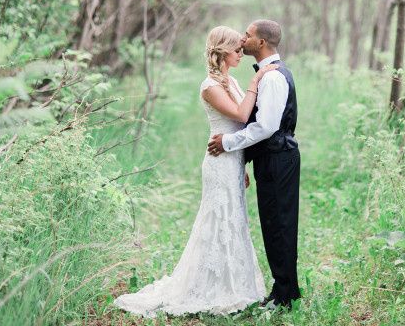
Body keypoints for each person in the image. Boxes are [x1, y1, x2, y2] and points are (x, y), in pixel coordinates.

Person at [113, 25, 278, 317]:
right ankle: (206, 287)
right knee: (216, 219)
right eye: (237, 50)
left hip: (232, 158)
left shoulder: (232, 81)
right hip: (218, 162)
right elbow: (241, 115)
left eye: (241, 50)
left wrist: (242, 162)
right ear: (223, 52)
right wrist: (257, 79)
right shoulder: (210, 86)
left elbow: (241, 123)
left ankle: (234, 285)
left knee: (234, 219)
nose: (241, 54)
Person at [208, 19, 301, 310]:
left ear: (260, 43)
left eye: (247, 35)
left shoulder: (272, 77)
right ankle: (284, 290)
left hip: (277, 156)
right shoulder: (265, 74)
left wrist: (228, 144)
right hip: (271, 157)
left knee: (280, 224)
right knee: (275, 223)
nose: (242, 39)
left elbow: (265, 127)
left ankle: (284, 295)